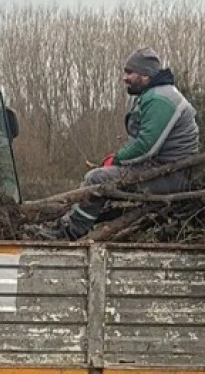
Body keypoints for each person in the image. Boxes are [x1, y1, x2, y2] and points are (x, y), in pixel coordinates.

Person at [34, 47, 199, 240]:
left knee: (97, 179)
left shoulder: (161, 99)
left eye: (130, 72)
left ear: (145, 75)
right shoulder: (155, 95)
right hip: (162, 169)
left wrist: (117, 159)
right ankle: (70, 222)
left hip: (171, 175)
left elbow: (146, 146)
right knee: (101, 177)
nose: (125, 77)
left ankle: (69, 233)